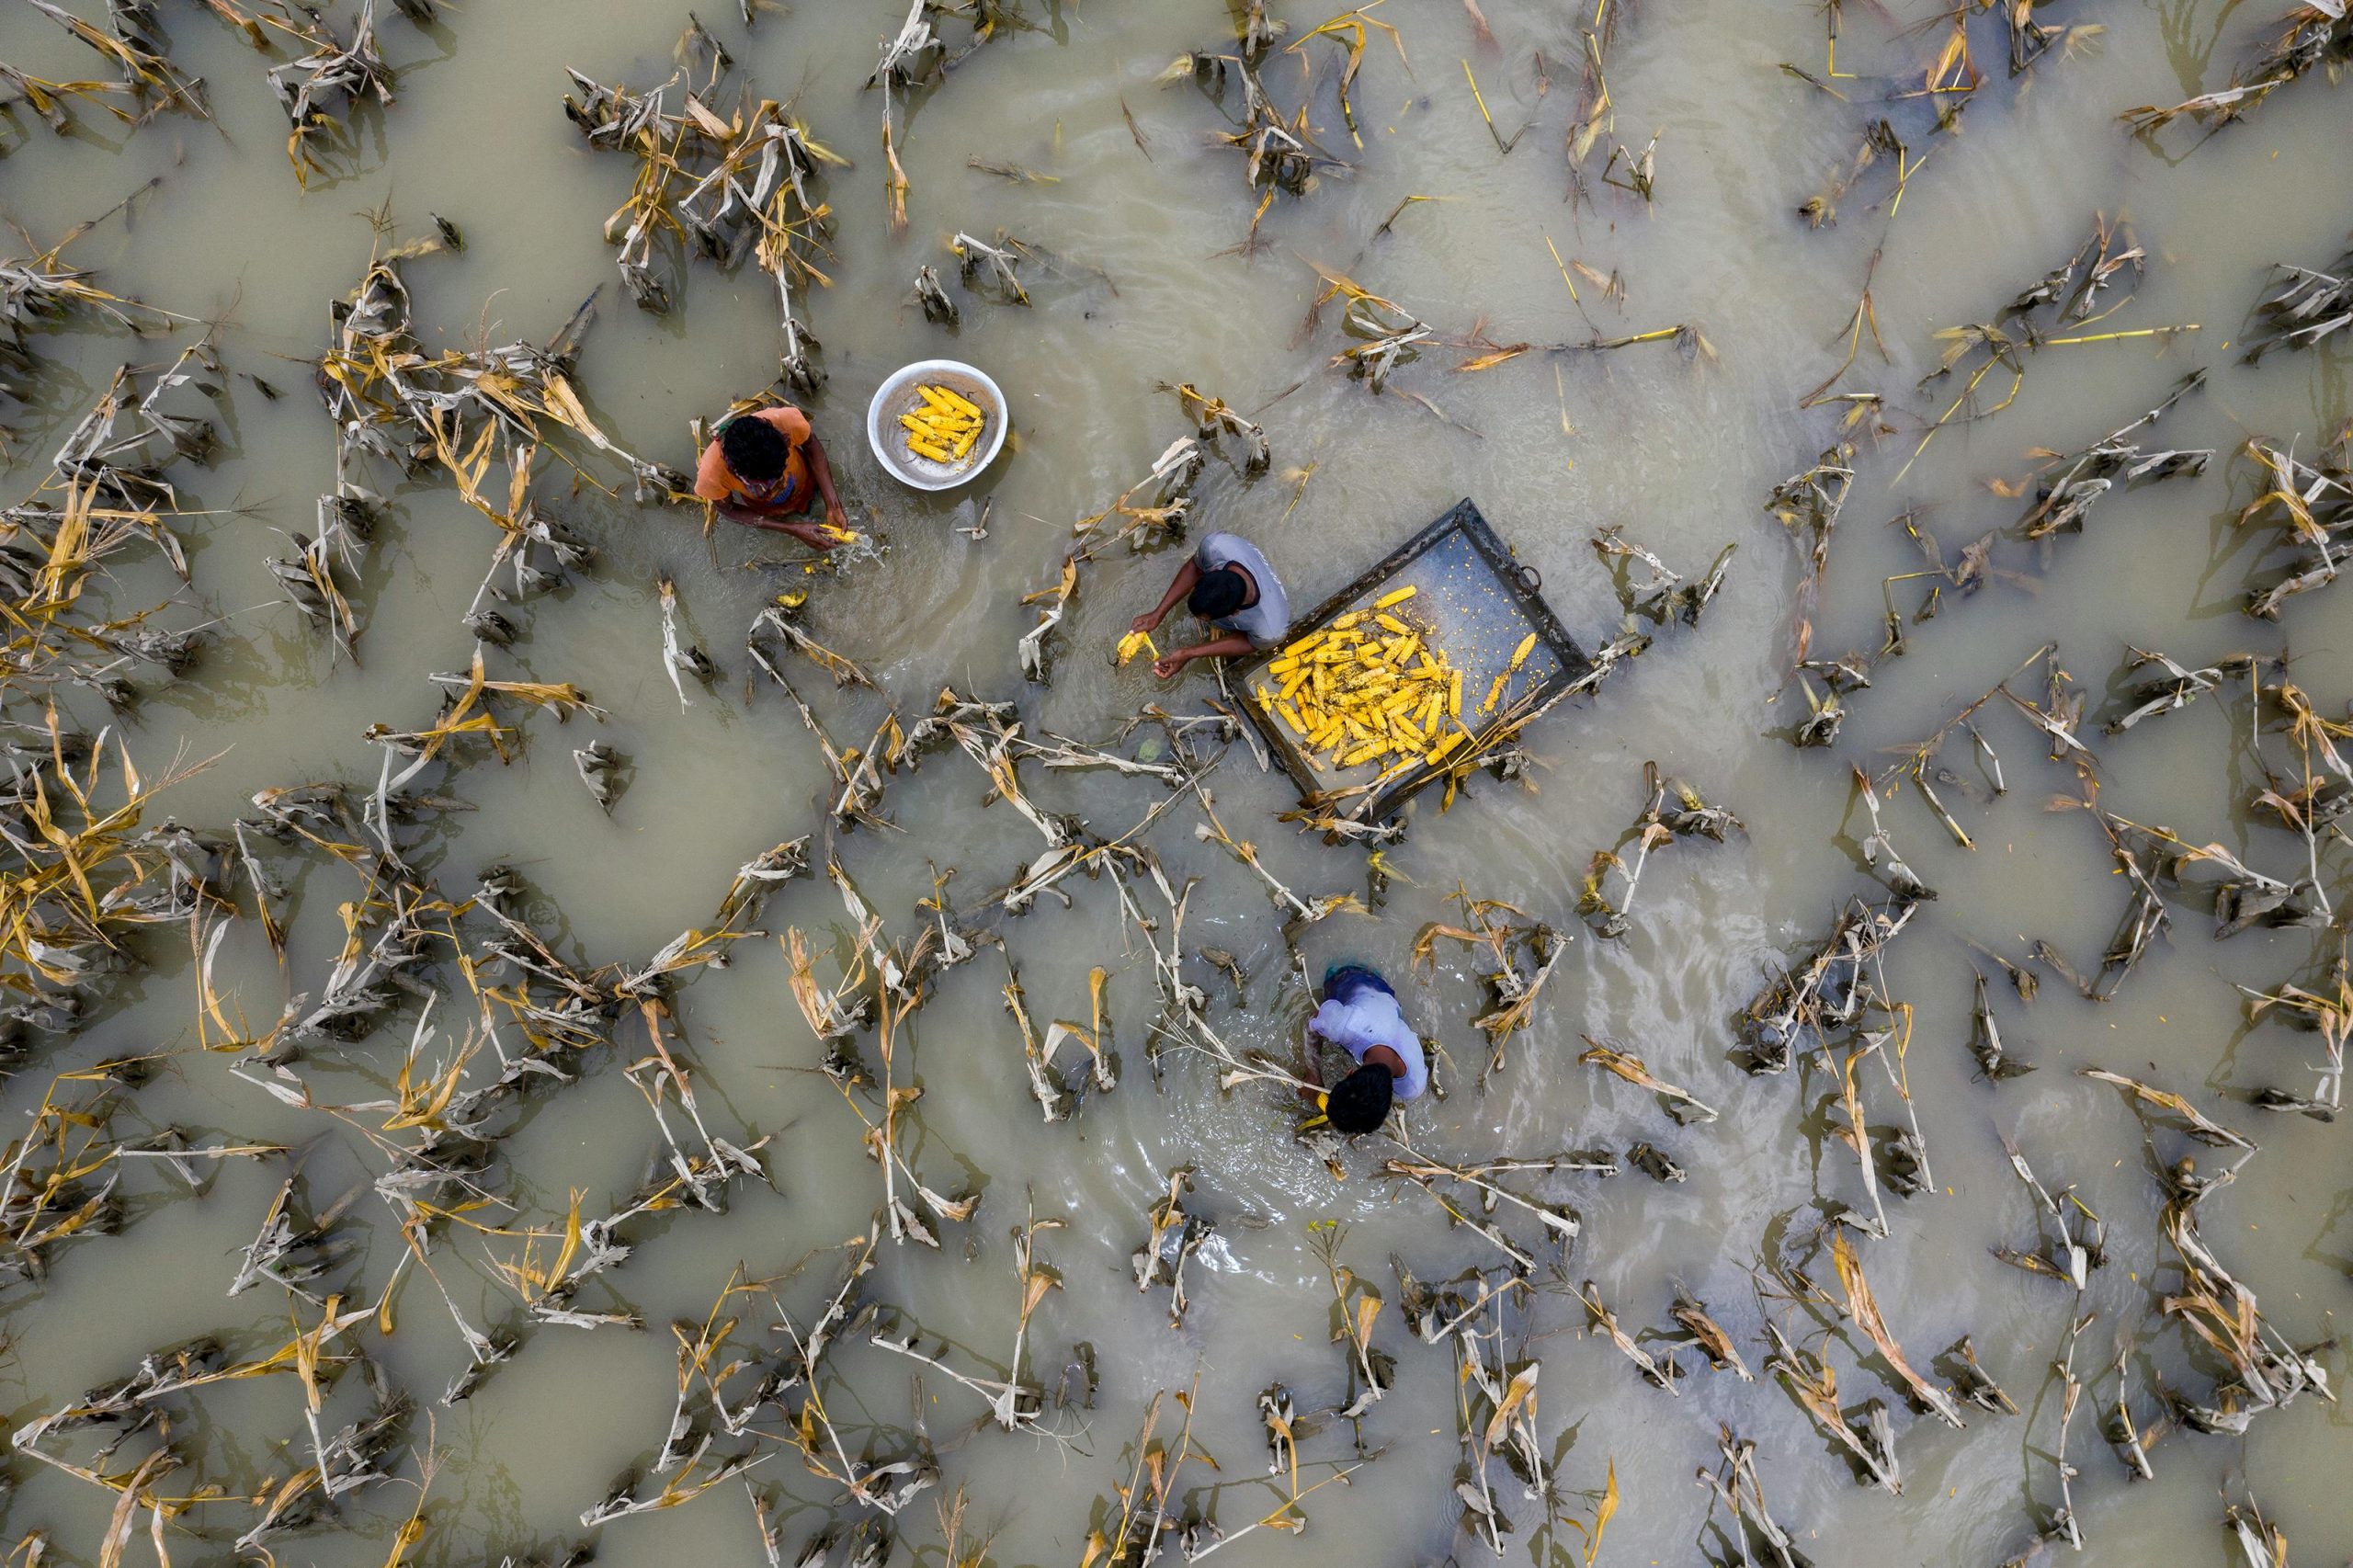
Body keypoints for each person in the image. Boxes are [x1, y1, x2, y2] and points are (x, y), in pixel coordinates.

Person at [1131, 530, 1290, 679]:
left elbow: (1250, 642)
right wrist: (1157, 613)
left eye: (1205, 619)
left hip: (1267, 600)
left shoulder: (1271, 629)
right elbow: (1194, 566)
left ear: (1234, 613)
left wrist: (1190, 653)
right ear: (1213, 571)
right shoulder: (1214, 547)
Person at [693, 403, 848, 551]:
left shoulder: (786, 421)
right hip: (769, 510)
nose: (779, 483)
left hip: (808, 484)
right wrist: (791, 529)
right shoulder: (712, 474)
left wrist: (833, 504)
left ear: (784, 439)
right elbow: (728, 510)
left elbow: (811, 446)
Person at [1299, 963, 1428, 1135]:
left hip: (1383, 998)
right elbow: (1313, 1024)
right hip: (1348, 977)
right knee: (1330, 978)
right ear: (1349, 1072)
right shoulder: (1346, 1026)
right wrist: (1313, 1075)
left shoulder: (1414, 1086)